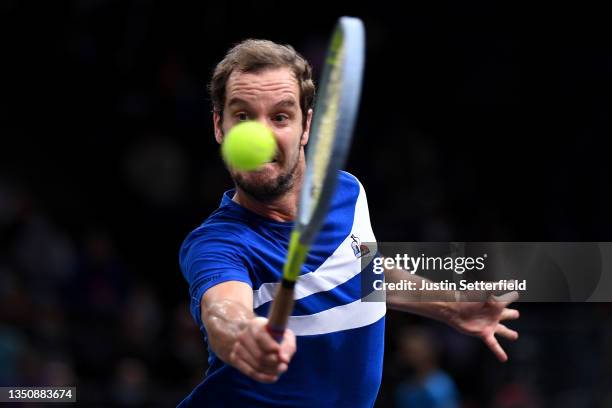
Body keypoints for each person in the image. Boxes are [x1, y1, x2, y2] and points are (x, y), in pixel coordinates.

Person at [178, 39, 520, 407]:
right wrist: (243, 334)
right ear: (219, 126)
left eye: (280, 117)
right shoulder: (218, 245)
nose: (261, 137)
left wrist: (450, 305)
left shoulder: (346, 191)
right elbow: (223, 310)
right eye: (243, 116)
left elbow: (363, 271)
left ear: (305, 126)